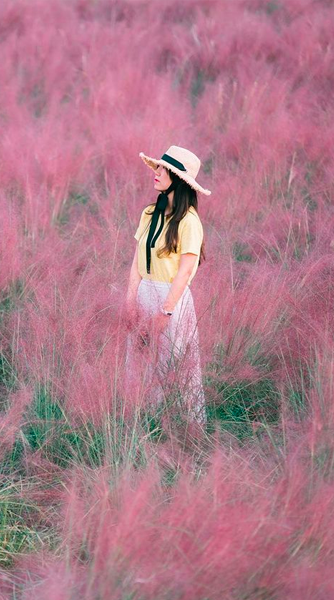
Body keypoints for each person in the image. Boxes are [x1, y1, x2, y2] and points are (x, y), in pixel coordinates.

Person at [123, 145, 210, 427]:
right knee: (140, 364)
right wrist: (130, 301)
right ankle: (143, 424)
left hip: (171, 299)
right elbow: (137, 261)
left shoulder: (189, 221)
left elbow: (185, 272)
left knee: (172, 367)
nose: (157, 172)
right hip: (144, 292)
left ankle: (179, 429)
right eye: (158, 167)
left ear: (179, 180)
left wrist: (166, 311)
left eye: (164, 169)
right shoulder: (150, 213)